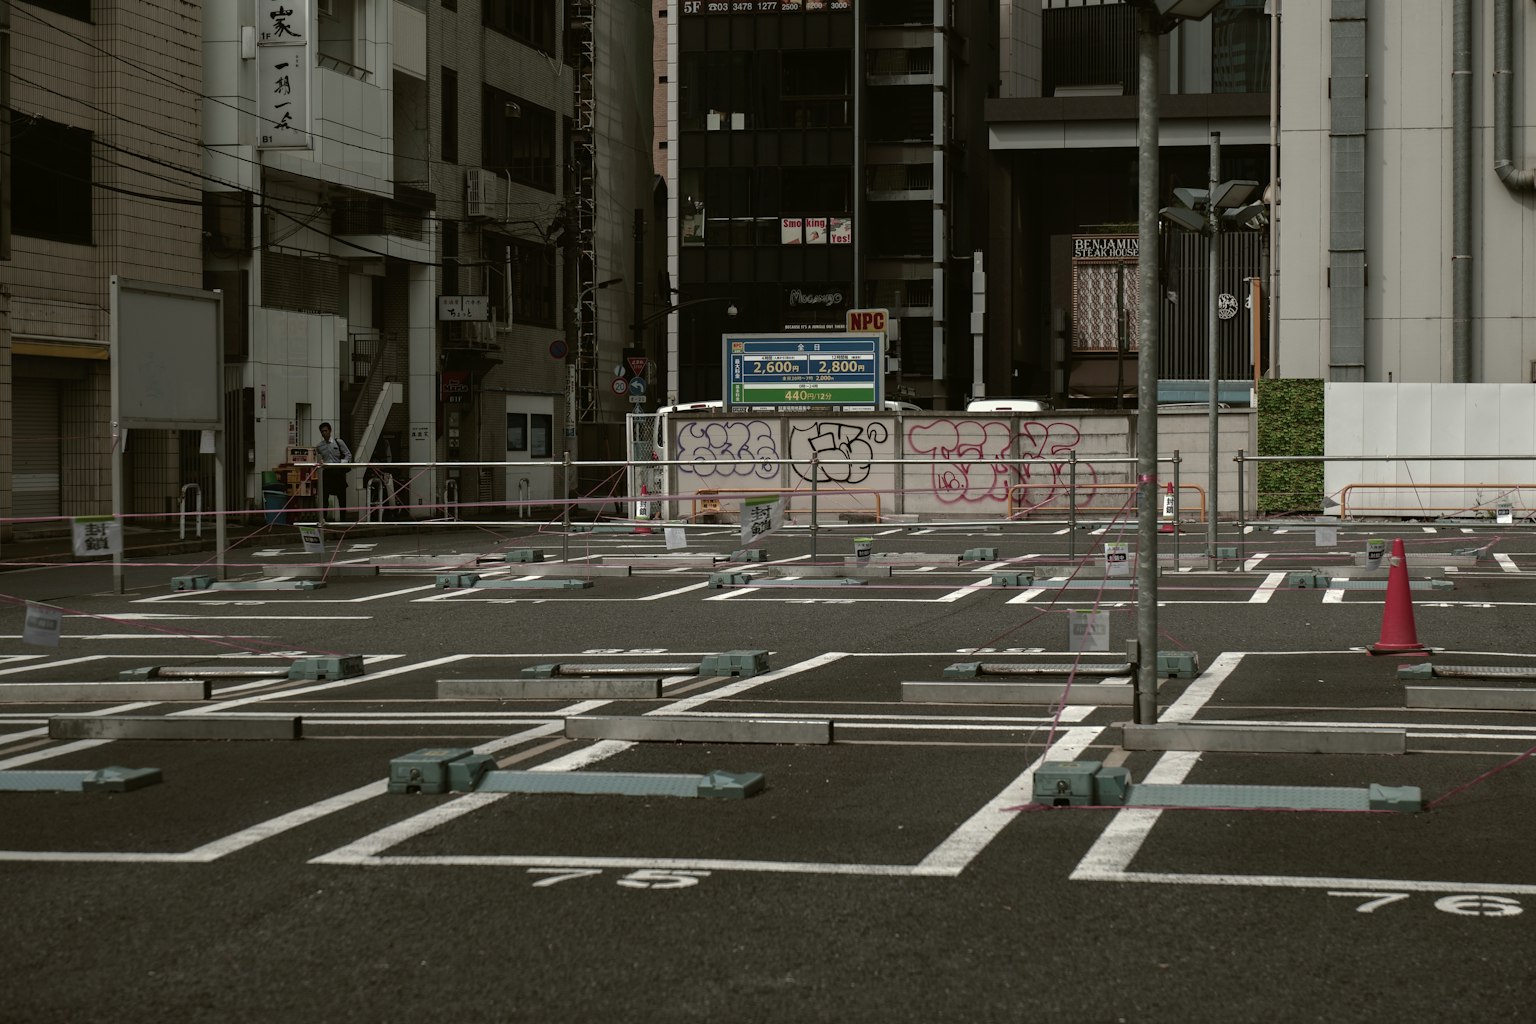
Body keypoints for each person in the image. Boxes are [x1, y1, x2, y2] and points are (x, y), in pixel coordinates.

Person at [315, 421, 352, 521]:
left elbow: (348, 454)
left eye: (326, 431)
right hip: (327, 473)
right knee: (324, 497)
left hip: (338, 472)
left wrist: (341, 464)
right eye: (322, 431)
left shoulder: (338, 442)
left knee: (342, 497)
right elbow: (317, 458)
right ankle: (323, 519)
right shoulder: (319, 446)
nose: (324, 433)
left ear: (330, 431)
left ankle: (343, 520)